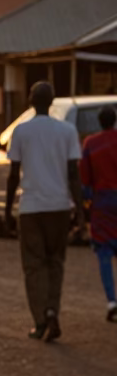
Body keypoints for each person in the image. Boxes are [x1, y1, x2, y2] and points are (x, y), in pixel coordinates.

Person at [5, 82, 84, 342]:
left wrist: (7, 210)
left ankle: (40, 321)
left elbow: (13, 175)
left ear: (30, 100)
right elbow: (73, 175)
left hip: (31, 208)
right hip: (60, 207)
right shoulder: (67, 131)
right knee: (55, 263)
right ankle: (52, 310)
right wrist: (81, 214)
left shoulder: (21, 131)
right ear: (51, 101)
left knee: (34, 266)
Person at [80, 105, 117, 322]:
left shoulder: (91, 144)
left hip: (102, 203)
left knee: (103, 253)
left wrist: (85, 203)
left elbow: (85, 182)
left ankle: (112, 301)